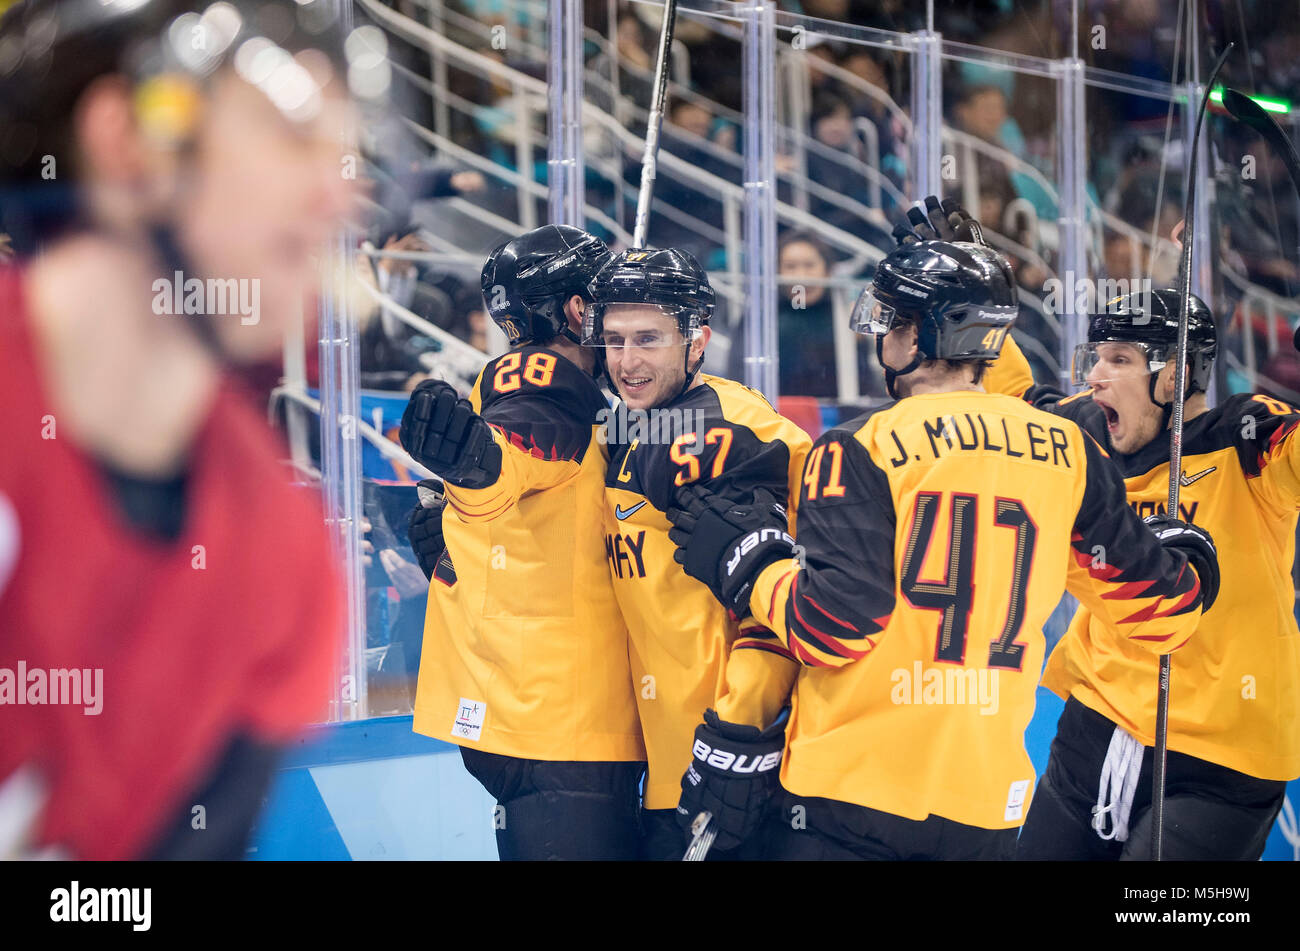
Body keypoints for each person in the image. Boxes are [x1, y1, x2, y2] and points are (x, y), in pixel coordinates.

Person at [662, 210, 1219, 860]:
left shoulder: (859, 446)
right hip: (983, 811)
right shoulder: (1068, 449)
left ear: (916, 334)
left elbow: (832, 626)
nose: (882, 335)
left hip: (849, 794)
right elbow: (1166, 616)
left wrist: (748, 563)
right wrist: (1189, 557)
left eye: (891, 320)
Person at [0, 0, 380, 858]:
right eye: (295, 134)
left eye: (346, 147)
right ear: (130, 144)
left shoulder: (283, 568)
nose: (340, 191)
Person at [988, 286, 1300, 860]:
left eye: (1121, 360)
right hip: (1094, 727)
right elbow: (1009, 399)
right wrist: (984, 303)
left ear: (1175, 375)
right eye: (1097, 357)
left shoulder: (1249, 439)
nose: (1097, 376)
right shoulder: (1086, 429)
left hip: (1222, 760)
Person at [399, 224, 646, 861]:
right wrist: (479, 465)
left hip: (518, 712)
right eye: (606, 299)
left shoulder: (589, 398)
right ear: (574, 309)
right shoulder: (548, 382)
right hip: (564, 727)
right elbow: (517, 450)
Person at [582, 246, 811, 859]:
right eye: (614, 340)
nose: (628, 362)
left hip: (728, 766)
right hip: (664, 761)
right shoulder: (633, 424)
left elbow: (783, 587)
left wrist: (740, 737)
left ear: (697, 339)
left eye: (649, 339)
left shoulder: (723, 426)